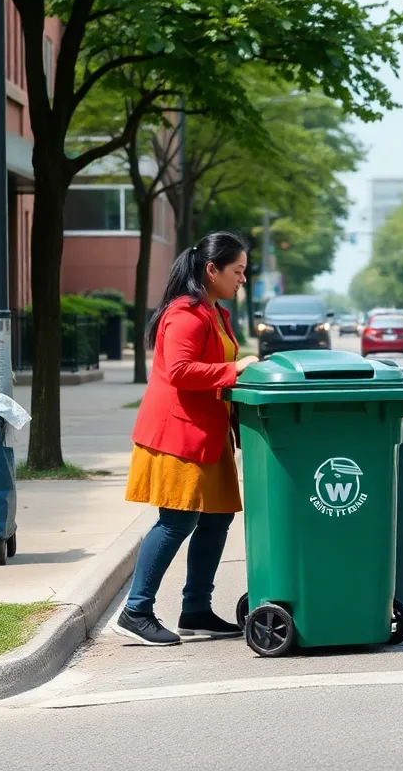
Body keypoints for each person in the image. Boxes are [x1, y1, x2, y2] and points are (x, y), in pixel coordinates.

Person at [116, 231, 260, 646]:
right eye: (237, 271)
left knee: (217, 517)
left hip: (208, 434)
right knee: (176, 520)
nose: (242, 279)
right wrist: (235, 369)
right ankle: (135, 611)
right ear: (212, 269)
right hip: (178, 434)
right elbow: (179, 371)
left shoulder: (214, 312)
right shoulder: (185, 314)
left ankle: (196, 609)